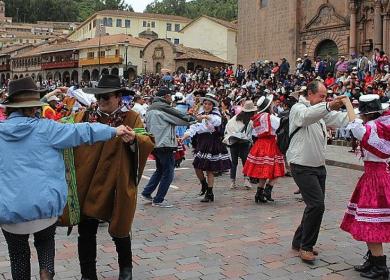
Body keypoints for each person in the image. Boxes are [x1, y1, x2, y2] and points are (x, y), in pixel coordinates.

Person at [0, 77, 132, 280]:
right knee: (45, 246)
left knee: (18, 256)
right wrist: (114, 130)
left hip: (10, 211)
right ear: (34, 107)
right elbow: (83, 131)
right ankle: (46, 273)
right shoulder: (47, 128)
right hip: (45, 209)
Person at [62, 75, 155, 280]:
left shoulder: (131, 117)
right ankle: (88, 274)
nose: (102, 100)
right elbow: (65, 132)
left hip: (116, 181)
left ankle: (126, 269)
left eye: (107, 97)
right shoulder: (86, 115)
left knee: (120, 227)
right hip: (88, 179)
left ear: (118, 97)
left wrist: (134, 141)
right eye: (99, 96)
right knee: (86, 230)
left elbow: (146, 140)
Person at [287, 81, 349, 263]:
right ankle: (306, 247)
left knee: (314, 205)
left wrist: (366, 115)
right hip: (302, 165)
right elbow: (307, 117)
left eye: (325, 97)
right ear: (310, 94)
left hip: (318, 167)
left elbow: (339, 119)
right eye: (321, 96)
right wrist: (328, 105)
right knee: (316, 205)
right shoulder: (299, 108)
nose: (324, 100)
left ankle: (298, 241)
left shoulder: (321, 113)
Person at [340, 95, 390, 279]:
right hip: (377, 175)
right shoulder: (382, 125)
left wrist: (347, 104)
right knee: (368, 220)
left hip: (374, 178)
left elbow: (355, 127)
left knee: (370, 222)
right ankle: (374, 260)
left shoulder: (371, 128)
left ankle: (380, 266)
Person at [142, 87, 196, 208]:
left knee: (160, 170)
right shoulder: (163, 108)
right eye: (169, 96)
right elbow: (180, 119)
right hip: (165, 143)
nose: (170, 99)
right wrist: (194, 119)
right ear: (165, 96)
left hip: (155, 143)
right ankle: (159, 199)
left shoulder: (151, 108)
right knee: (168, 172)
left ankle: (147, 192)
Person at [182, 93, 232, 202]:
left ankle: (210, 192)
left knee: (209, 169)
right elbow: (194, 128)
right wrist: (184, 137)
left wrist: (205, 116)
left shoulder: (215, 114)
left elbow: (216, 121)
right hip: (202, 142)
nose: (207, 106)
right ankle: (204, 184)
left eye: (209, 104)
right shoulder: (201, 114)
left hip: (212, 143)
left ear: (212, 105)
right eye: (205, 104)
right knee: (197, 166)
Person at [242, 95, 285, 203]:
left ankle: (259, 193)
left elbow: (252, 133)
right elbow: (281, 125)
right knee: (278, 170)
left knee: (263, 171)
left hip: (260, 144)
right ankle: (267, 190)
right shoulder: (271, 117)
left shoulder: (256, 118)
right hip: (270, 144)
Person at [223, 100, 257, 189]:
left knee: (245, 162)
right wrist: (235, 136)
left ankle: (246, 180)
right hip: (235, 143)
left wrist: (248, 139)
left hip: (245, 143)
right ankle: (232, 181)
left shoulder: (250, 121)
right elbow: (228, 130)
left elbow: (252, 132)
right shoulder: (233, 120)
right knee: (234, 162)